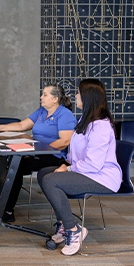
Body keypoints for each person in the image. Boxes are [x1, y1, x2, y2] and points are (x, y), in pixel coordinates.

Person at [37, 79, 121, 256]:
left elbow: (93, 163)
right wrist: (66, 163)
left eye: (79, 93)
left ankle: (73, 229)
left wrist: (67, 169)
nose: (75, 96)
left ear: (88, 97)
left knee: (51, 180)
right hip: (88, 171)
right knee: (45, 173)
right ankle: (63, 223)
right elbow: (78, 151)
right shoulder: (86, 119)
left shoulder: (101, 126)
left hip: (102, 177)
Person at [0, 84, 77, 222]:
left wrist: (37, 149)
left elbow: (65, 141)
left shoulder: (64, 115)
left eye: (45, 95)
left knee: (15, 164)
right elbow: (22, 125)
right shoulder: (42, 111)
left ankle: (7, 211)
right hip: (36, 151)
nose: (41, 97)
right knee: (5, 161)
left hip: (54, 155)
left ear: (55, 99)